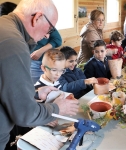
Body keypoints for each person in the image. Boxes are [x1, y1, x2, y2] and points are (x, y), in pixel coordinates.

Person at [0, 0, 79, 149]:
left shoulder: (5, 27)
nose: (46, 36)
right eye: (49, 29)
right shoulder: (14, 43)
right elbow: (25, 114)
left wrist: (35, 94)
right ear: (37, 17)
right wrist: (57, 109)